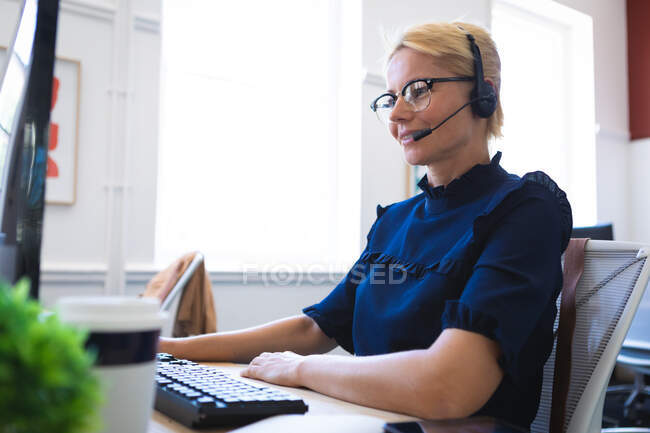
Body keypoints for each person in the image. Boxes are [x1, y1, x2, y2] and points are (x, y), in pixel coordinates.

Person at [159, 22, 571, 430]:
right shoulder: (393, 222)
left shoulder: (525, 210)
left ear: (485, 94)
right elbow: (314, 328)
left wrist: (301, 370)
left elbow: (449, 386)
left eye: (419, 89)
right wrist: (170, 349)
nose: (397, 113)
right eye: (391, 97)